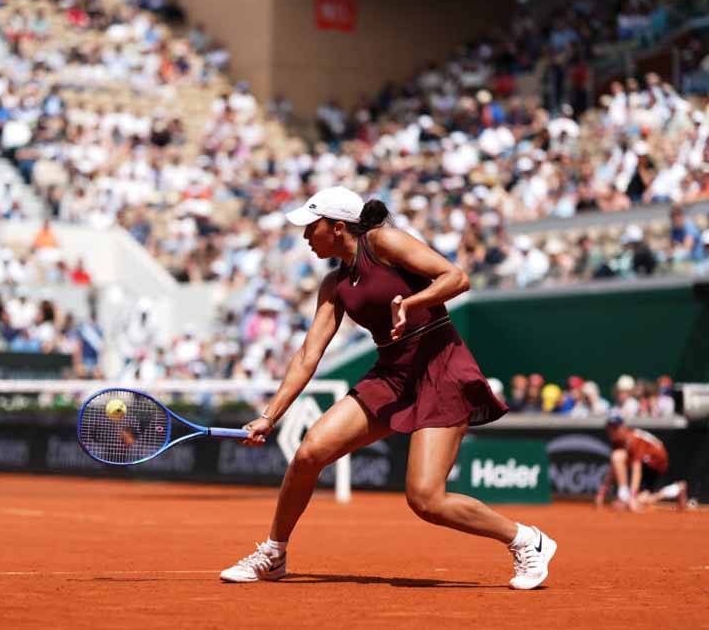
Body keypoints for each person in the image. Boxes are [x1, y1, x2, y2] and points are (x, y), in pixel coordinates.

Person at [220, 186, 556, 590]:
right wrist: (269, 416)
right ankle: (274, 554)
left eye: (312, 227)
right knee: (309, 453)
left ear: (338, 227)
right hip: (391, 375)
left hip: (440, 369)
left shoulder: (383, 242)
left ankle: (526, 539)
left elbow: (457, 277)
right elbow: (309, 353)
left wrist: (412, 303)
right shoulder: (334, 284)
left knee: (426, 500)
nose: (306, 236)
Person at [596, 413, 688, 511]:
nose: (612, 431)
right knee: (617, 456)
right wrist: (602, 491)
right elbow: (613, 468)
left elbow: (637, 469)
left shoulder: (635, 440)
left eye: (615, 428)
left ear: (623, 427)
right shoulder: (617, 441)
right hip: (644, 464)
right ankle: (623, 496)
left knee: (639, 501)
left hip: (655, 464)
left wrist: (632, 497)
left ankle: (677, 488)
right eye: (610, 428)